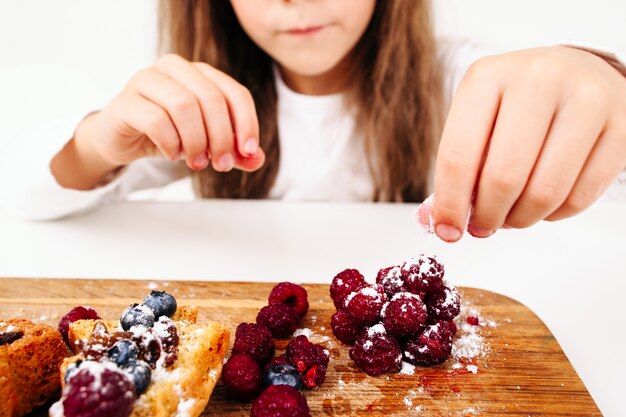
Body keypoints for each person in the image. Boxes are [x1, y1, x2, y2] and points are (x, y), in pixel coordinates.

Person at [1, 1, 624, 243]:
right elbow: (28, 193)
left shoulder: (457, 77)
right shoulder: (201, 105)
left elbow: (598, 153)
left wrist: (602, 85)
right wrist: (96, 140)